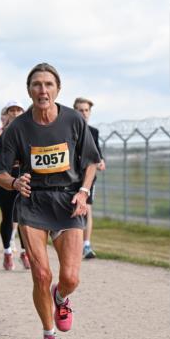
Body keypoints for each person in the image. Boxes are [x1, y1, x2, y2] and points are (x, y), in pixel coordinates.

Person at [0, 63, 101, 339]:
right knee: (41, 273)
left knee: (70, 278)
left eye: (48, 84)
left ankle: (60, 297)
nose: (42, 90)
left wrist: (83, 191)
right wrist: (14, 182)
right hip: (33, 202)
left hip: (67, 201)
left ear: (57, 89)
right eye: (36, 84)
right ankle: (49, 336)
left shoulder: (73, 120)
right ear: (29, 90)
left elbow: (91, 161)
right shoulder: (17, 128)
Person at [0, 101, 32, 271]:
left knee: (24, 216)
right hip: (6, 178)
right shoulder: (0, 133)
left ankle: (25, 252)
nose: (15, 113)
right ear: (6, 114)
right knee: (8, 216)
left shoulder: (29, 131)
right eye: (11, 110)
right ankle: (7, 252)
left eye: (18, 110)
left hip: (25, 176)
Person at [73, 97, 106, 259]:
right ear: (75, 111)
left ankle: (86, 245)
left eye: (86, 110)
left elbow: (97, 154)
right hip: (71, 177)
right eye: (81, 110)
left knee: (87, 209)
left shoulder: (93, 132)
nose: (84, 113)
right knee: (72, 210)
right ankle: (73, 243)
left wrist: (101, 162)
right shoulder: (69, 129)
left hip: (88, 178)